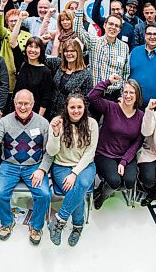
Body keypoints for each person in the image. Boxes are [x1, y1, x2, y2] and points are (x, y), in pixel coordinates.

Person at [0, 90, 52, 245]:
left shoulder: (43, 123)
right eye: (19, 103)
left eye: (26, 103)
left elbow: (50, 152)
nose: (23, 107)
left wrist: (42, 170)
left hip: (34, 166)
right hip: (9, 165)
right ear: (14, 103)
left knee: (44, 194)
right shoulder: (4, 122)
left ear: (33, 104)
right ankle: (7, 222)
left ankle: (36, 226)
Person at [46, 93, 98, 246]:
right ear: (66, 108)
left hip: (85, 165)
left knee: (81, 185)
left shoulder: (92, 124)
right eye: (72, 107)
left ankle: (59, 221)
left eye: (79, 107)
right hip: (61, 166)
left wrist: (75, 173)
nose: (76, 110)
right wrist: (55, 134)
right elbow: (51, 151)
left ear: (84, 108)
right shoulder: (57, 123)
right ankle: (77, 226)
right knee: (76, 191)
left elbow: (90, 152)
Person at [88, 75, 144, 209]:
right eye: (126, 92)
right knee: (114, 181)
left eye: (132, 92)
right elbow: (92, 97)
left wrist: (124, 161)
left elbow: (138, 142)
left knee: (129, 182)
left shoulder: (141, 116)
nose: (128, 95)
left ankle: (103, 188)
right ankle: (102, 195)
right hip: (105, 153)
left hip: (125, 155)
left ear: (137, 96)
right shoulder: (111, 107)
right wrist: (108, 82)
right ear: (122, 93)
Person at [75, 0, 130, 101]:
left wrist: (122, 94)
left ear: (119, 30)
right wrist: (81, 2)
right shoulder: (94, 41)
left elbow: (125, 73)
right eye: (110, 24)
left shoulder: (124, 47)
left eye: (116, 26)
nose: (113, 28)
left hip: (114, 97)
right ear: (104, 25)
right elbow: (78, 29)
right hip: (95, 94)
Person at [11, 13, 52, 116]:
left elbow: (45, 98)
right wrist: (19, 19)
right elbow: (12, 41)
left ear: (41, 50)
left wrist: (38, 119)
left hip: (34, 114)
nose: (32, 50)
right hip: (16, 111)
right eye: (30, 46)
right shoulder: (21, 63)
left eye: (36, 47)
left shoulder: (46, 72)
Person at [45, 39, 93, 120]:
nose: (69, 53)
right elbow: (41, 58)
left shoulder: (86, 75)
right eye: (66, 51)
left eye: (72, 51)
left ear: (78, 52)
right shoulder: (58, 64)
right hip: (49, 112)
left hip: (69, 117)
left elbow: (86, 101)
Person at [0, 0, 31, 94]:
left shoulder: (28, 35)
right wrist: (2, 7)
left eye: (16, 20)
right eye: (11, 21)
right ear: (7, 23)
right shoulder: (5, 33)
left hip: (23, 73)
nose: (14, 23)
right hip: (6, 72)